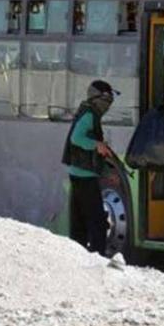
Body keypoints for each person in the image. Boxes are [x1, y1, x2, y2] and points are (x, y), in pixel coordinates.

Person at [62, 80, 117, 254]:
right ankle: (97, 256)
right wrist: (96, 145)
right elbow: (76, 138)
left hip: (78, 172)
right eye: (107, 98)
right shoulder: (89, 114)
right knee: (96, 220)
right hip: (84, 175)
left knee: (79, 220)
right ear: (96, 97)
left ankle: (79, 255)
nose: (109, 103)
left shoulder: (87, 111)